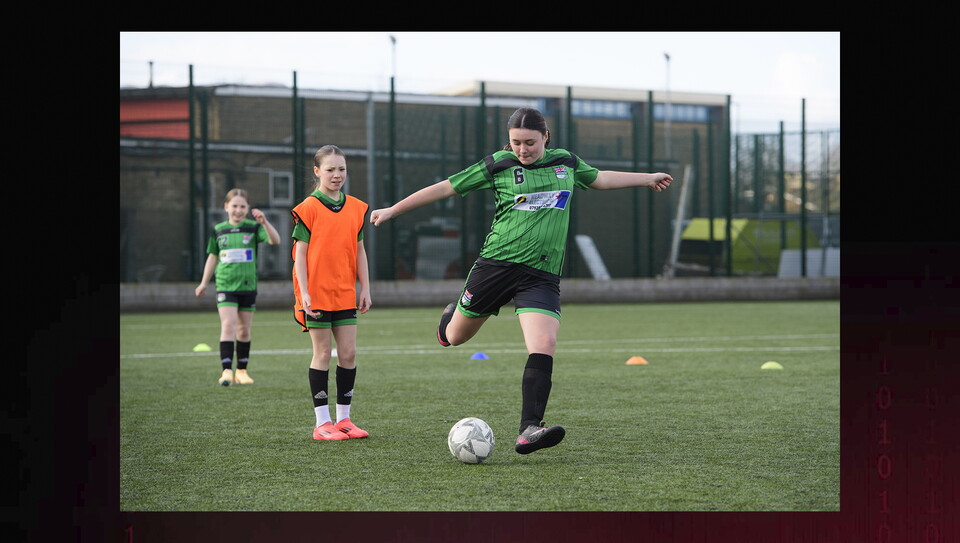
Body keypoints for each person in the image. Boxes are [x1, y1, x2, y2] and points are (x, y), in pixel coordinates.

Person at [370, 107, 672, 455]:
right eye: (516, 143)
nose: (522, 150)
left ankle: (529, 428)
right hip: (495, 267)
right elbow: (444, 188)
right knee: (455, 337)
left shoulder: (566, 164)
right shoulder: (497, 164)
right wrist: (393, 210)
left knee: (544, 343)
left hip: (541, 275)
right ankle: (447, 322)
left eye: (530, 143)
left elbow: (600, 178)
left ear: (546, 137)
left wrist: (647, 177)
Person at [292, 145, 373, 441]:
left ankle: (344, 420)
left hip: (344, 292)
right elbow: (299, 255)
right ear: (317, 172)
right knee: (323, 353)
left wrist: (365, 287)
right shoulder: (308, 208)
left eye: (341, 169)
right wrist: (305, 292)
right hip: (316, 292)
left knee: (349, 353)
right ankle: (321, 423)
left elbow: (360, 249)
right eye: (330, 170)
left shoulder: (355, 207)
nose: (337, 175)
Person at [196, 188, 281, 386]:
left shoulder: (253, 228)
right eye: (234, 206)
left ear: (248, 208)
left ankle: (242, 371)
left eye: (242, 206)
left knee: (243, 330)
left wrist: (265, 222)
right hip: (225, 285)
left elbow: (275, 240)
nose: (238, 210)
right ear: (226, 207)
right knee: (228, 325)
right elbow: (212, 256)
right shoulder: (219, 230)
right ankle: (226, 371)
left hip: (248, 285)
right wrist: (203, 283)